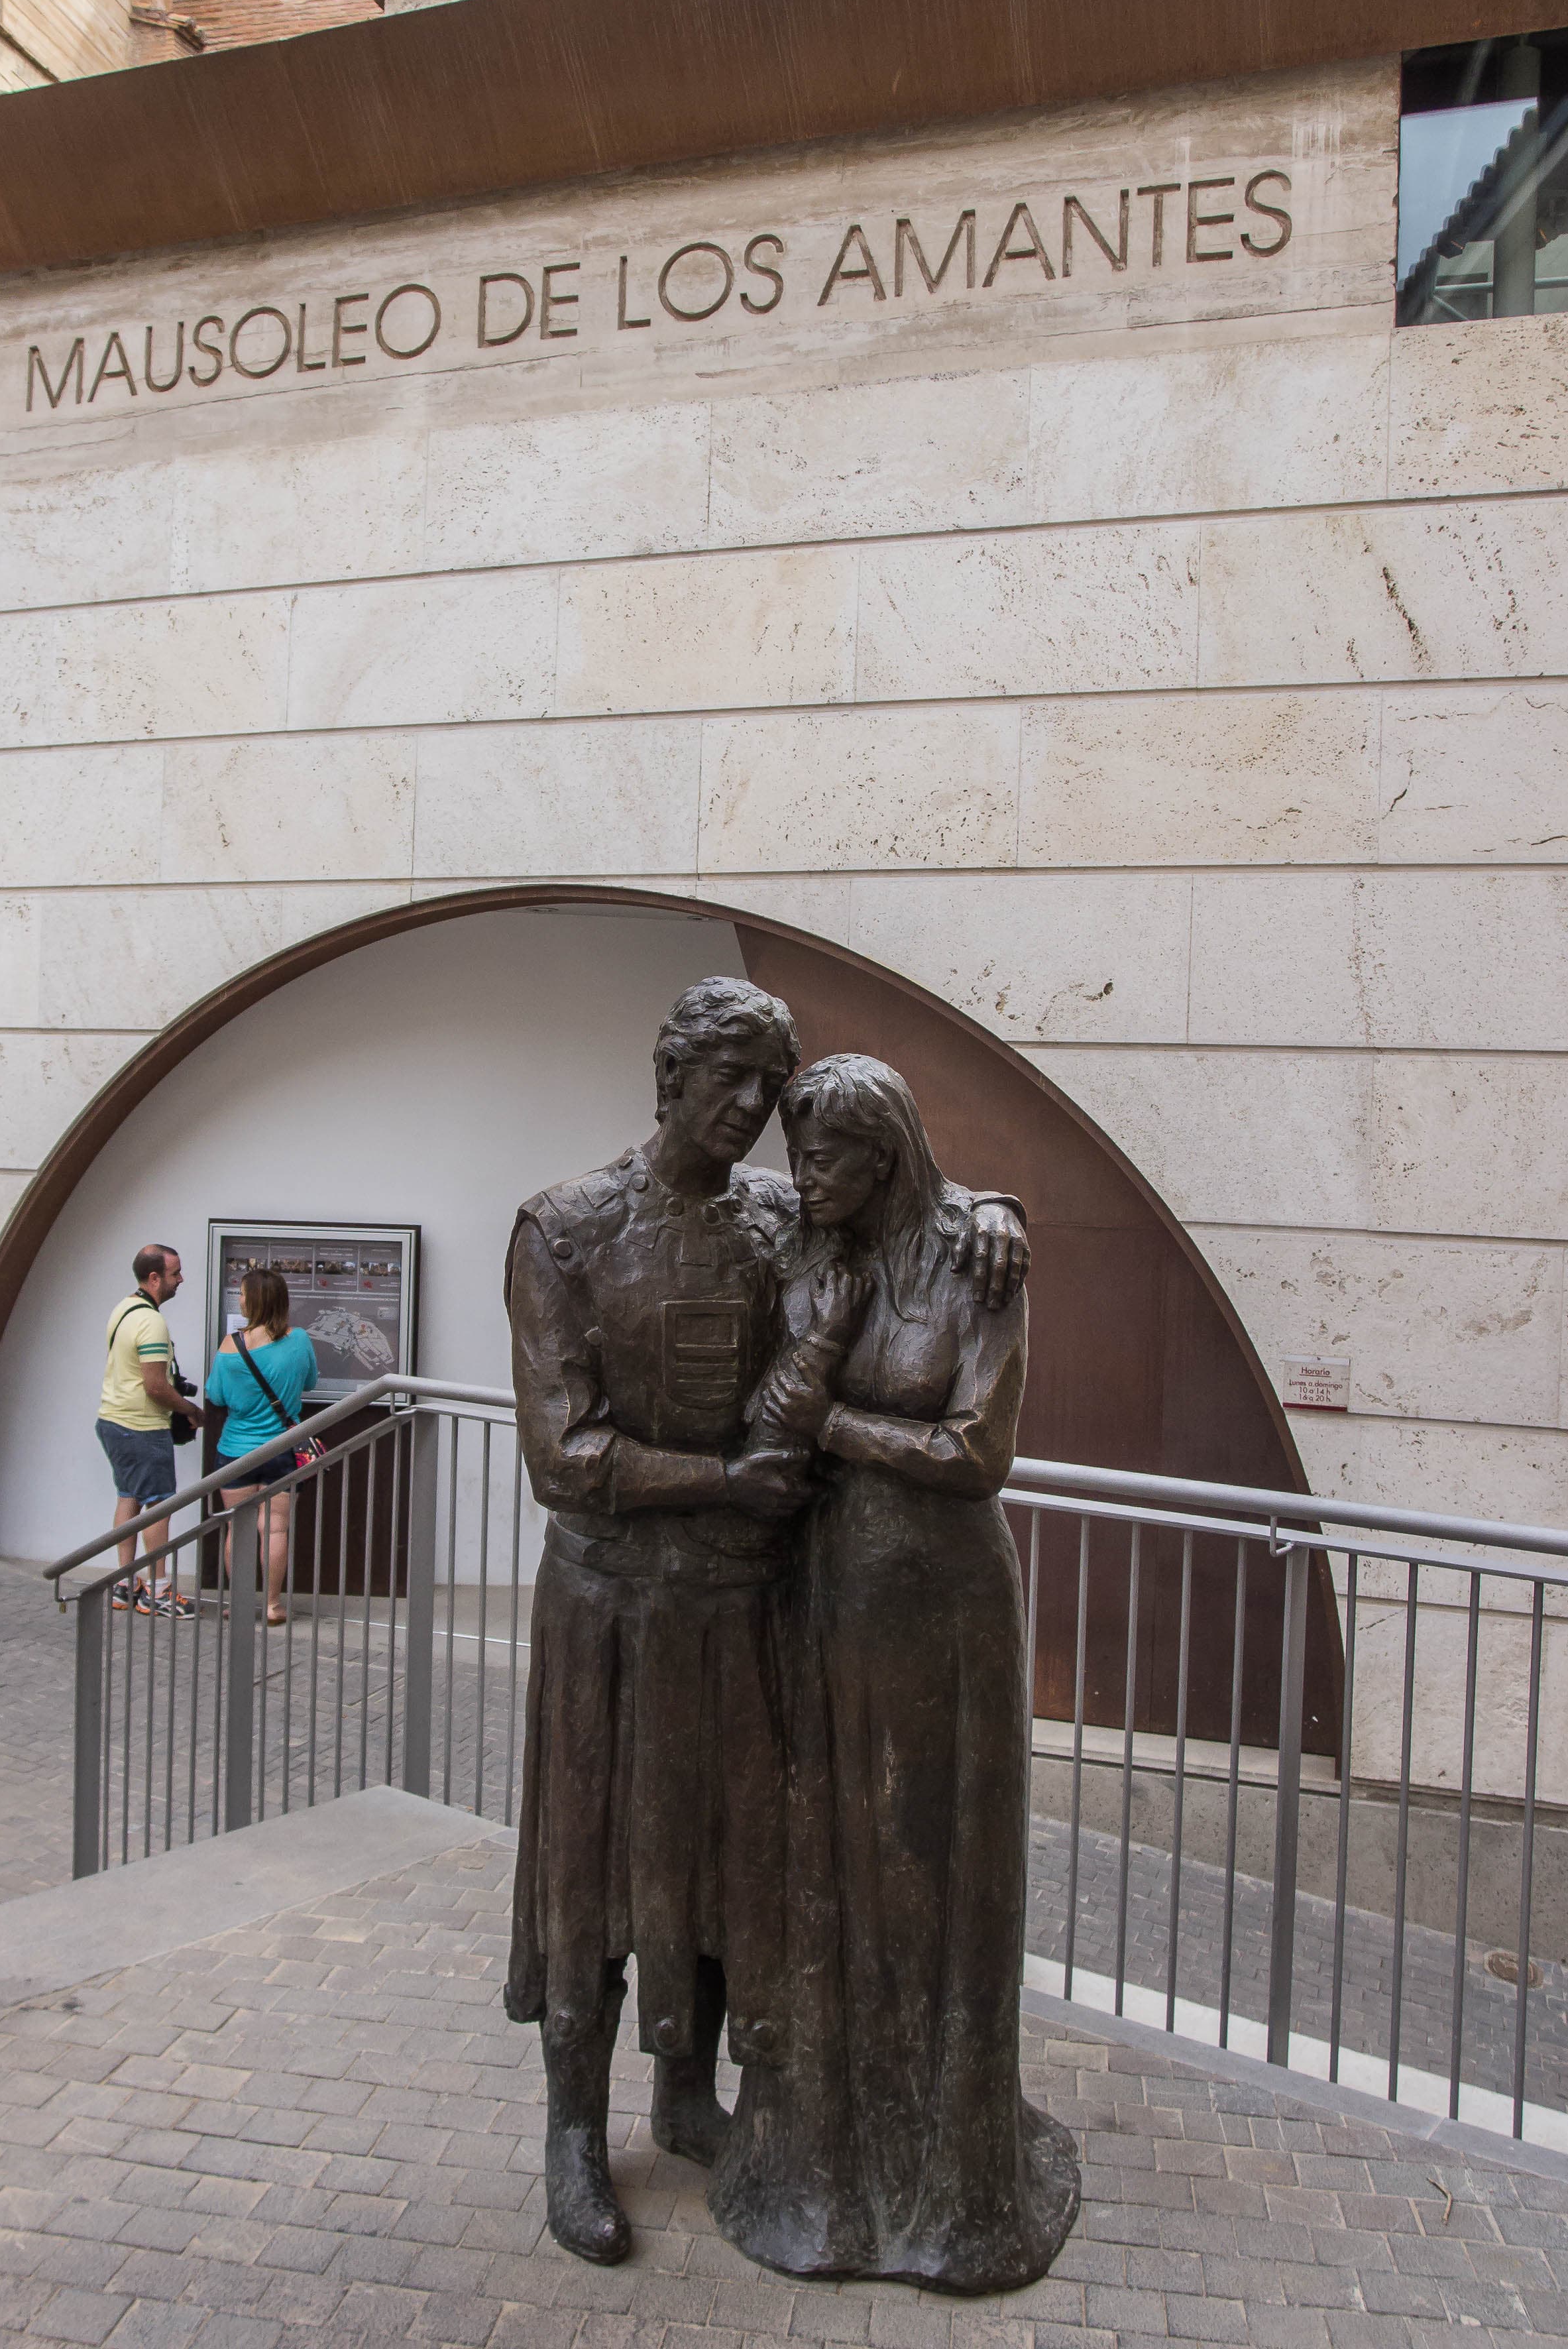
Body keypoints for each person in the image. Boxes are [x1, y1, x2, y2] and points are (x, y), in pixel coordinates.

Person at [504, 979, 1030, 2267]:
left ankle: (690, 2098)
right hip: (612, 1605)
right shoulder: (564, 1229)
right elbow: (563, 1453)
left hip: (748, 1605)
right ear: (669, 1072)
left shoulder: (784, 1217)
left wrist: (998, 1215)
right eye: (729, 1077)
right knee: (592, 1865)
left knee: (737, 1861)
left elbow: (913, 1199)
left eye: (769, 1085)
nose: (751, 1107)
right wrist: (726, 1480)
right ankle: (574, 2136)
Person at [709, 1055, 1080, 2293]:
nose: (802, 1175)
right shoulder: (811, 1245)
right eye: (798, 1156)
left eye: (826, 1158)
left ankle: (952, 2186)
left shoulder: (976, 1260)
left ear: (887, 1156)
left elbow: (976, 1451)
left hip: (945, 1605)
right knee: (829, 1864)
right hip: (826, 1591)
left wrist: (832, 1427)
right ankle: (824, 2170)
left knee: (934, 1867)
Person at [203, 1266, 320, 1629]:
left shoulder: (229, 1346)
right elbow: (310, 1382)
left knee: (237, 1529)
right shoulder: (299, 1340)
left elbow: (215, 1396)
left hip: (236, 1451)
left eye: (242, 1293)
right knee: (276, 1529)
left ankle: (239, 1603)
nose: (239, 1299)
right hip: (283, 1450)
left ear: (253, 1301)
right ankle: (272, 1606)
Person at [97, 1243, 203, 1617]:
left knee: (129, 1497)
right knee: (159, 1506)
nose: (182, 1279)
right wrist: (191, 1410)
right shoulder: (152, 1321)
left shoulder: (124, 1308)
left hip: (113, 1421)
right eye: (176, 1274)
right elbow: (156, 1386)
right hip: (142, 1427)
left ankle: (125, 1582)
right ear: (155, 1278)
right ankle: (158, 1591)